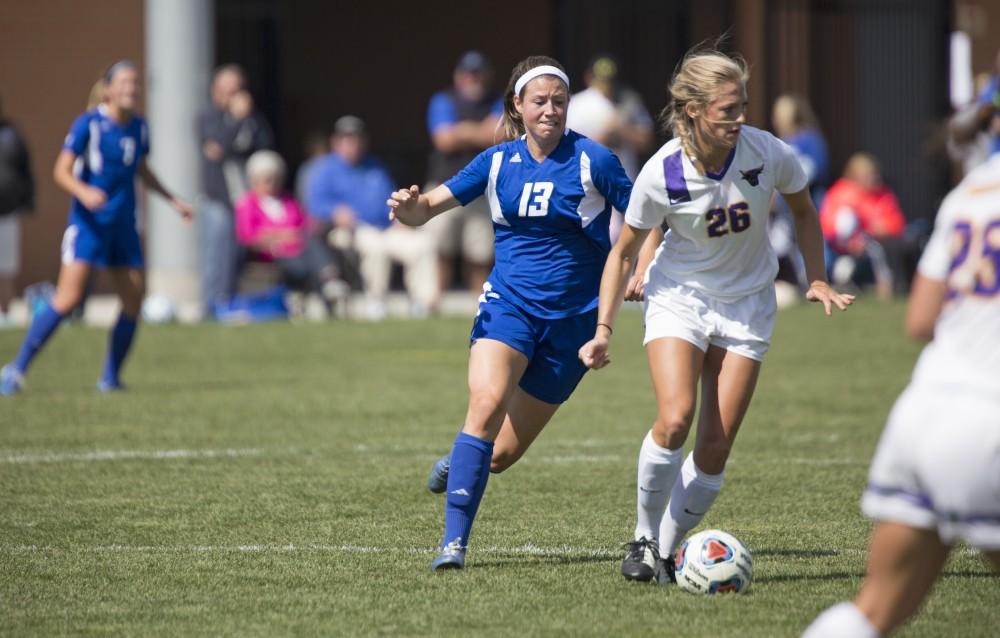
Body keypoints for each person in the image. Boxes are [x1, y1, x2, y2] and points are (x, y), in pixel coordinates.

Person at [576, 45, 854, 585]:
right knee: (676, 416)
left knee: (714, 449)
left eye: (743, 104)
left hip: (748, 303)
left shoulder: (767, 152)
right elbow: (624, 251)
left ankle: (667, 554)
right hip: (680, 296)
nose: (740, 117)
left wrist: (816, 276)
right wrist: (604, 329)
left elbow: (803, 209)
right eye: (729, 108)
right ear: (695, 110)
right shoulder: (662, 172)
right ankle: (642, 536)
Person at [388, 56, 632, 570]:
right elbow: (427, 207)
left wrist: (641, 268)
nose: (550, 110)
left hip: (574, 323)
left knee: (498, 456)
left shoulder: (596, 162)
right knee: (487, 400)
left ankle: (460, 462)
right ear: (517, 107)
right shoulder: (497, 162)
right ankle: (452, 546)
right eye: (539, 101)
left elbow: (645, 220)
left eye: (559, 102)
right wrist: (410, 210)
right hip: (509, 306)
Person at [802, 152, 1000, 638]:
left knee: (873, 611)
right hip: (989, 419)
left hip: (923, 411)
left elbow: (919, 320)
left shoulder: (974, 187)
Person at [0, 61, 193, 396]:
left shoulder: (140, 128)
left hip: (124, 226)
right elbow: (60, 171)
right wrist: (84, 191)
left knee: (134, 299)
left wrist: (172, 200)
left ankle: (110, 377)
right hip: (89, 225)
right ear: (108, 89)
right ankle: (16, 369)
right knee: (68, 299)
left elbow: (141, 170)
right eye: (124, 83)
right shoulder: (89, 125)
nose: (131, 89)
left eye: (135, 83)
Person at [307, 115, 436, 320]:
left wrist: (401, 219)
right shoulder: (325, 168)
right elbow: (315, 205)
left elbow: (390, 197)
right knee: (375, 245)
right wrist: (335, 212)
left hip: (385, 226)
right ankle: (376, 301)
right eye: (347, 138)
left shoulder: (375, 166)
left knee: (422, 243)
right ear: (336, 142)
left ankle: (423, 304)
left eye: (357, 138)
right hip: (348, 230)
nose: (353, 143)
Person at [423, 51, 503, 299]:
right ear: (459, 76)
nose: (473, 79)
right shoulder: (443, 100)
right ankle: (435, 302)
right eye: (469, 74)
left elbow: (498, 135)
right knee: (440, 248)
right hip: (445, 184)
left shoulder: (498, 100)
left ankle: (478, 304)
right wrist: (479, 131)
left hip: (483, 188)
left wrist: (461, 131)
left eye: (478, 74)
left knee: (479, 252)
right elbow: (444, 140)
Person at [197, 64, 274, 318]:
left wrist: (247, 120)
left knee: (237, 255)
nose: (234, 96)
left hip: (244, 200)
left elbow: (265, 148)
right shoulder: (208, 117)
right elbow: (215, 149)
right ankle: (211, 308)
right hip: (217, 200)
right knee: (217, 255)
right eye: (228, 90)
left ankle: (229, 304)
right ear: (215, 91)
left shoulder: (251, 120)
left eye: (238, 89)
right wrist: (236, 120)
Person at [234, 150, 347, 315]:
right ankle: (327, 282)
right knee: (307, 263)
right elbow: (248, 237)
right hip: (273, 255)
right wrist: (282, 236)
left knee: (313, 242)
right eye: (267, 179)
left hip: (299, 250)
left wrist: (284, 234)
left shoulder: (287, 200)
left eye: (275, 178)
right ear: (255, 180)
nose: (272, 183)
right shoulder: (247, 204)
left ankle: (328, 284)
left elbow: (303, 226)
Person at [566, 54, 655, 242]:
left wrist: (622, 129)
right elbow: (567, 146)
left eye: (609, 80)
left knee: (624, 236)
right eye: (600, 80)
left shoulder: (628, 101)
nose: (605, 85)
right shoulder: (578, 104)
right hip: (586, 181)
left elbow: (647, 140)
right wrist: (603, 137)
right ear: (589, 77)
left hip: (622, 179)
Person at [819, 152, 908, 298]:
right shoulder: (841, 193)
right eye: (867, 175)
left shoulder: (883, 194)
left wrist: (875, 229)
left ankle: (891, 288)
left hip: (877, 241)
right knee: (847, 218)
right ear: (854, 176)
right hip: (840, 245)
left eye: (874, 174)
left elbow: (897, 224)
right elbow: (828, 225)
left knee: (887, 246)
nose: (873, 178)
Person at [768, 94, 830, 295]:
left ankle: (818, 282)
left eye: (780, 115)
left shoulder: (809, 139)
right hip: (784, 211)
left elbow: (815, 170)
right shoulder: (781, 142)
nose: (776, 120)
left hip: (809, 204)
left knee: (809, 243)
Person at [0, 97, 34, 327]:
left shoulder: (12, 135)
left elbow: (25, 169)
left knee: (6, 265)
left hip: (8, 209)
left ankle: (4, 311)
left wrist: (28, 201)